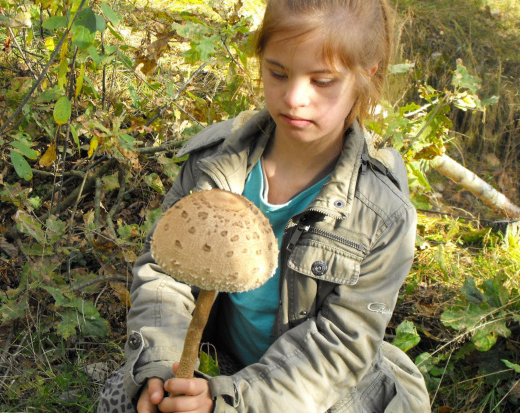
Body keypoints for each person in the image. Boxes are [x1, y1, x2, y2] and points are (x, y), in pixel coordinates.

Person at [97, 0, 431, 411]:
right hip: (220, 359)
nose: (294, 98)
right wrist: (161, 366)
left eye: (322, 81)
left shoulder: (383, 213)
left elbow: (340, 347)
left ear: (366, 75)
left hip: (319, 388)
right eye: (278, 72)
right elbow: (164, 272)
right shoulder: (213, 163)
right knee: (122, 400)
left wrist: (230, 403)